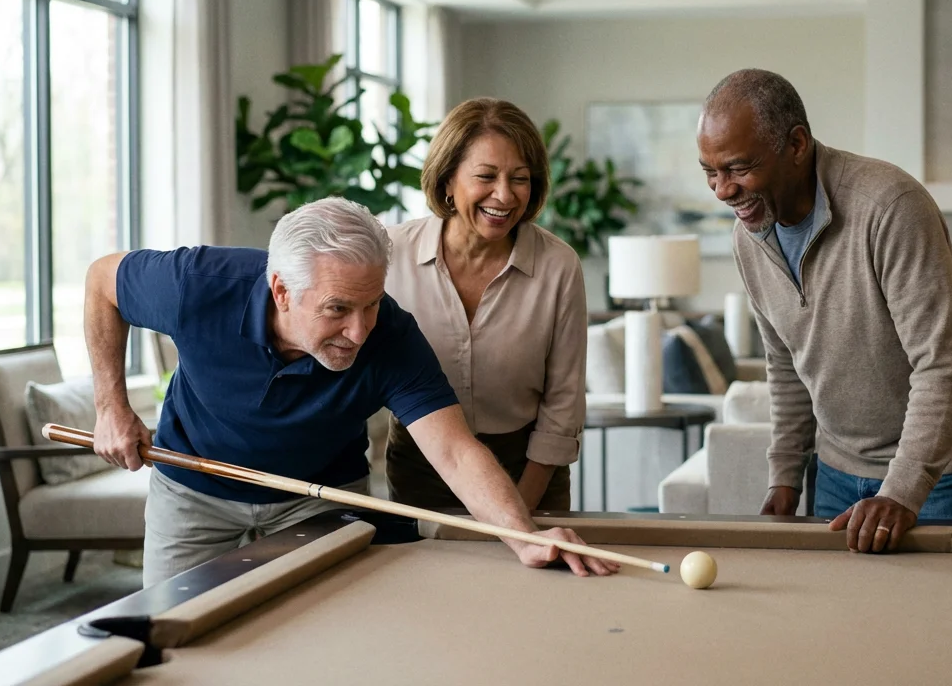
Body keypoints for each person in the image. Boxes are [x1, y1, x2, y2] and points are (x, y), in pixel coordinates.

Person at [84, 197, 616, 584]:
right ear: (281, 291)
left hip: (315, 502)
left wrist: (523, 535)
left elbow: (454, 451)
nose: (360, 331)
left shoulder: (391, 336)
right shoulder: (197, 284)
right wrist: (111, 405)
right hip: (193, 490)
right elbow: (101, 281)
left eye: (371, 304)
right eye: (338, 308)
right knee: (171, 637)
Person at [697, 68, 952, 554]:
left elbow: (943, 366)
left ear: (796, 145)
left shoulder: (889, 206)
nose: (722, 190)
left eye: (737, 168)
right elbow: (786, 365)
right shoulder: (748, 236)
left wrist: (902, 491)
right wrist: (784, 475)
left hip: (945, 471)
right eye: (710, 173)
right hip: (840, 468)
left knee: (940, 625)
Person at [384, 98, 584, 512]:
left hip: (529, 470)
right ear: (446, 181)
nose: (505, 195)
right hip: (422, 469)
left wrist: (514, 512)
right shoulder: (390, 254)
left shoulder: (559, 266)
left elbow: (562, 404)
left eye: (520, 178)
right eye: (486, 176)